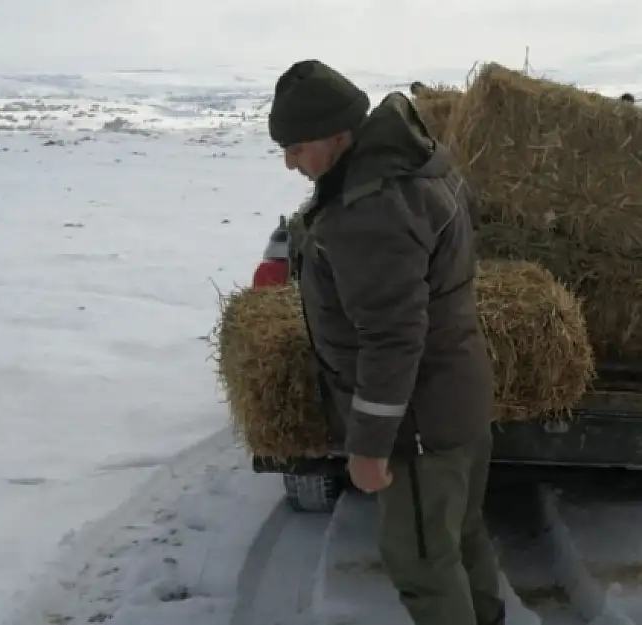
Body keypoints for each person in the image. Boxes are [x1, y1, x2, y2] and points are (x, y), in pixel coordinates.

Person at [268, 59, 505, 625]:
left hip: (419, 424)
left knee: (422, 560)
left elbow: (393, 337)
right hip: (458, 396)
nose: (291, 163)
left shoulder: (370, 210)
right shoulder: (417, 164)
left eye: (298, 148)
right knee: (458, 532)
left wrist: (371, 445)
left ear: (339, 135)